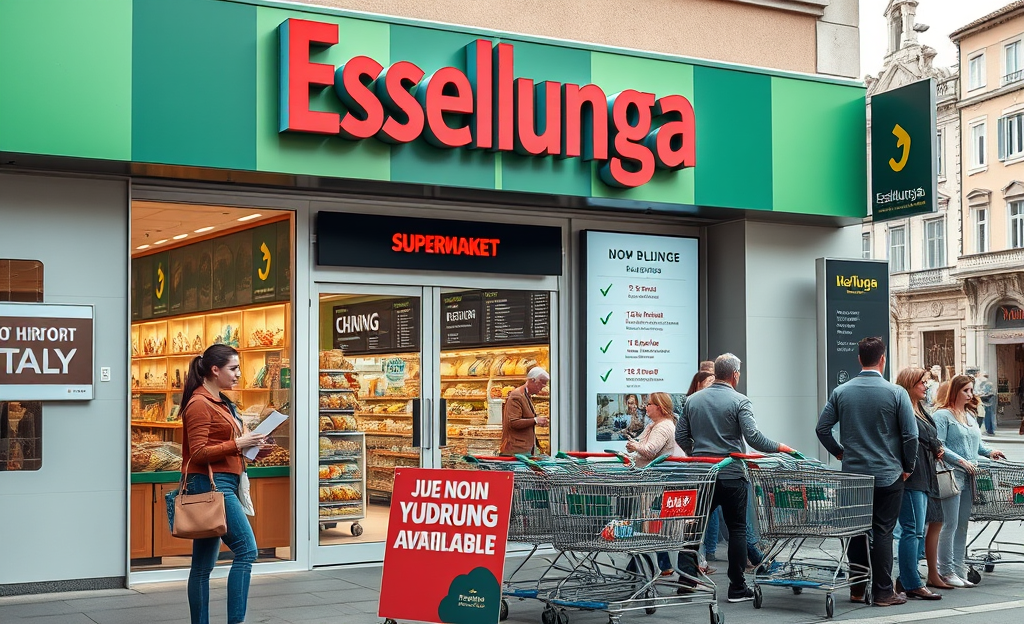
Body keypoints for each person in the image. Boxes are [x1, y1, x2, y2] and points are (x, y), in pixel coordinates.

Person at [675, 353, 794, 602]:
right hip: (732, 475)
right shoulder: (740, 401)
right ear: (735, 375)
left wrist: (695, 454)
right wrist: (781, 447)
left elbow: (681, 435)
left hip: (703, 474)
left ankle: (686, 580)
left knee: (693, 528)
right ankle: (737, 587)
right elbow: (754, 438)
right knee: (737, 529)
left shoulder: (693, 400)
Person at [815, 336, 918, 607]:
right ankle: (883, 592)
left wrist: (840, 452)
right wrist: (908, 467)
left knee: (856, 530)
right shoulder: (896, 393)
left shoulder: (841, 392)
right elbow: (911, 436)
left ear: (859, 359)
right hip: (888, 474)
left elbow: (822, 429)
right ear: (883, 359)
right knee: (883, 532)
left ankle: (857, 589)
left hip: (853, 476)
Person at [181, 344, 267, 624]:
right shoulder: (199, 403)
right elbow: (197, 453)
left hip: (222, 482)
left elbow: (225, 446)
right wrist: (238, 443)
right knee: (247, 550)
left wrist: (253, 448)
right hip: (212, 485)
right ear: (215, 370)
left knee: (202, 566)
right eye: (234, 368)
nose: (239, 374)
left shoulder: (222, 402)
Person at [932, 375, 1007, 588]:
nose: (970, 394)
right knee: (950, 524)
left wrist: (990, 451)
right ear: (955, 391)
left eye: (971, 390)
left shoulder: (969, 415)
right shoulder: (942, 415)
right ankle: (945, 571)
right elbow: (939, 445)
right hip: (951, 476)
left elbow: (978, 444)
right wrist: (961, 460)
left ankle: (958, 568)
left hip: (970, 476)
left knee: (962, 525)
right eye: (966, 390)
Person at [893, 368, 943, 600]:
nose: (926, 386)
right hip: (911, 476)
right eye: (922, 382)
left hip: (924, 475)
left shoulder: (921, 409)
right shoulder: (902, 409)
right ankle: (911, 582)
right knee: (911, 530)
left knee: (917, 530)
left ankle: (906, 579)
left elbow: (929, 437)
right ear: (909, 384)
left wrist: (936, 447)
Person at [626, 392, 685, 575]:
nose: (646, 407)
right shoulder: (653, 425)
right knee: (647, 522)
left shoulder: (663, 427)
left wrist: (635, 447)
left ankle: (649, 564)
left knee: (646, 522)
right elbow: (643, 447)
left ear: (659, 407)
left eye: (649, 404)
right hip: (650, 479)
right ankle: (661, 564)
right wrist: (633, 450)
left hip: (653, 480)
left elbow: (650, 451)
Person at [498, 367, 550, 455]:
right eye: (541, 384)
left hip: (523, 449)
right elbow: (513, 422)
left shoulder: (526, 395)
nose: (542, 388)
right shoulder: (517, 396)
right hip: (516, 450)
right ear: (532, 380)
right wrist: (535, 420)